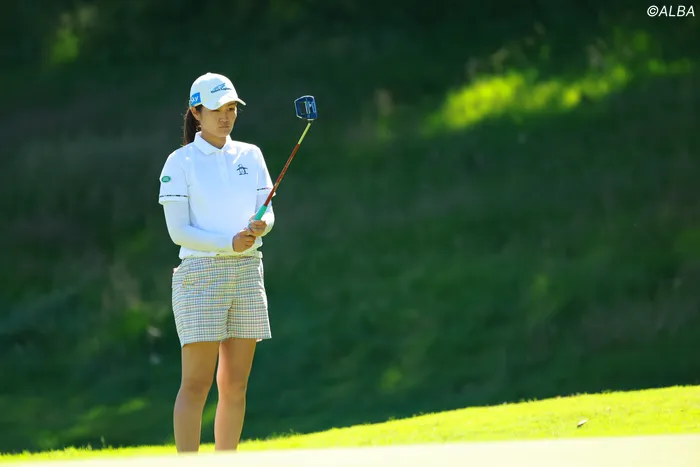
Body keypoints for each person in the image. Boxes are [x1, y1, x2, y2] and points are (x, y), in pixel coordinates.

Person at [157, 72, 276, 453]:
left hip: (247, 271)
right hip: (200, 274)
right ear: (196, 112)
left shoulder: (251, 155)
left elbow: (267, 211)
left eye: (231, 109)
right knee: (196, 384)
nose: (226, 117)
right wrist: (229, 243)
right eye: (216, 109)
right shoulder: (179, 162)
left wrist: (261, 226)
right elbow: (179, 231)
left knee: (235, 384)